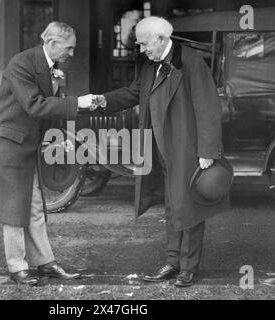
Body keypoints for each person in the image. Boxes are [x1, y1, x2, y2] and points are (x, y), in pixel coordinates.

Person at [93, 16, 228, 287]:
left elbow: (208, 108)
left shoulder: (190, 62)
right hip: (160, 151)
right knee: (172, 206)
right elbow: (133, 93)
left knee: (191, 207)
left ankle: (188, 268)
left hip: (187, 150)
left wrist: (207, 151)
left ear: (162, 39)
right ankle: (173, 261)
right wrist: (102, 100)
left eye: (144, 44)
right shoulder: (149, 65)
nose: (142, 49)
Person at [0, 22, 95, 285]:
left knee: (35, 205)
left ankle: (45, 263)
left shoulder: (49, 67)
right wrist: (77, 102)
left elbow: (45, 108)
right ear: (51, 43)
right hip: (8, 145)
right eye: (68, 48)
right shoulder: (21, 63)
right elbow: (35, 106)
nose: (71, 54)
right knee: (13, 209)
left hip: (25, 144)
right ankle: (17, 268)